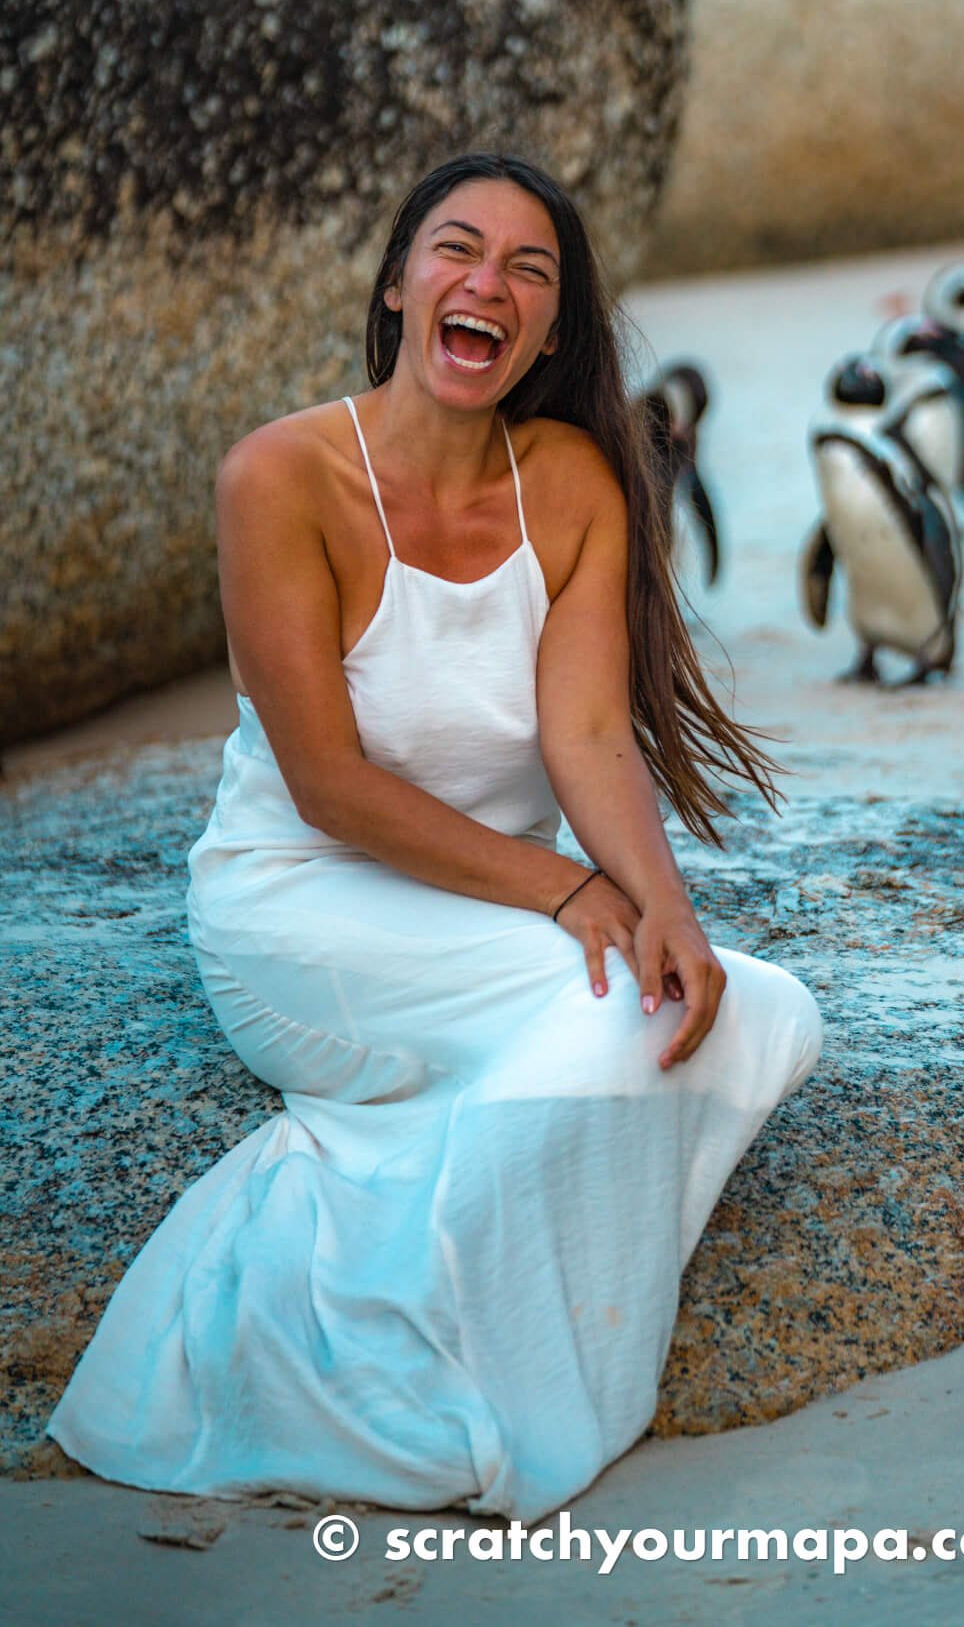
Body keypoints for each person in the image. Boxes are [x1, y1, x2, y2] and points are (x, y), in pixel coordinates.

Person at [46, 150, 824, 1523]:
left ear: (555, 328)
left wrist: (663, 907)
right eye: (457, 251)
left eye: (530, 271)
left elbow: (586, 736)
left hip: (507, 921)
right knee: (609, 1025)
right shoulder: (278, 476)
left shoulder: (574, 476)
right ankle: (432, 1353)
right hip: (309, 910)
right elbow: (329, 784)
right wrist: (569, 892)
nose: (488, 285)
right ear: (398, 283)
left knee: (759, 1011)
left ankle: (406, 1191)